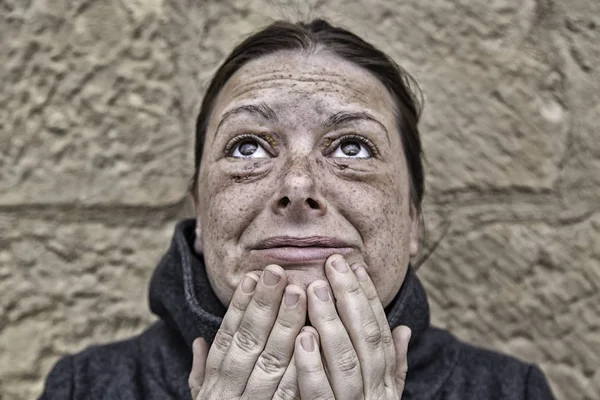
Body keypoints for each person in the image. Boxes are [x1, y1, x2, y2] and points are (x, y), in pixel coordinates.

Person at [40, 19, 556, 399]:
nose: (298, 184)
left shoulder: (511, 391)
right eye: (247, 147)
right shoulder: (82, 388)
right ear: (200, 216)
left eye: (352, 147)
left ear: (412, 220)